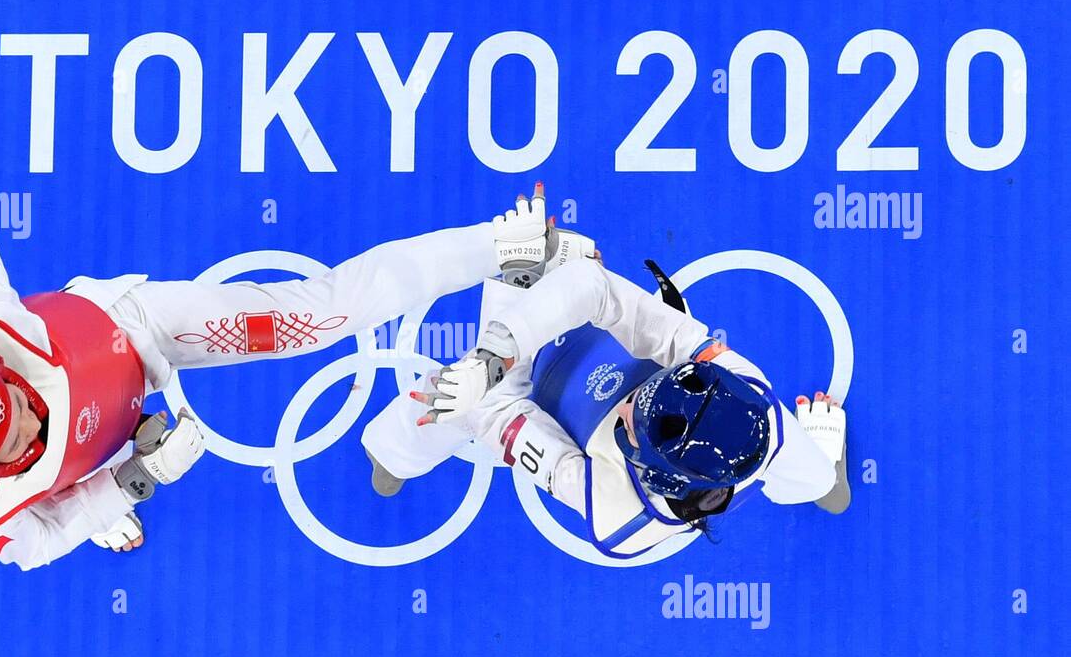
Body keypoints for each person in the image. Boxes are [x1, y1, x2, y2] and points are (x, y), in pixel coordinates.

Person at [0, 81, 589, 570]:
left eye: (8, 392)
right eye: (9, 429)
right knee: (88, 510)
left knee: (321, 313)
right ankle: (110, 489)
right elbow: (39, 542)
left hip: (131, 330)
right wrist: (133, 479)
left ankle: (501, 247)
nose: (21, 407)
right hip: (99, 457)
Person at [362, 185, 850, 561]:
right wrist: (538, 292)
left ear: (655, 474)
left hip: (549, 393)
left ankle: (393, 457)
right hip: (621, 349)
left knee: (453, 399)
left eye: (631, 422)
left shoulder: (619, 518)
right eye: (642, 400)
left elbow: (498, 412)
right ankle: (826, 482)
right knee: (814, 474)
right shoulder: (746, 392)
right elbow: (597, 293)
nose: (623, 404)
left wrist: (513, 284)